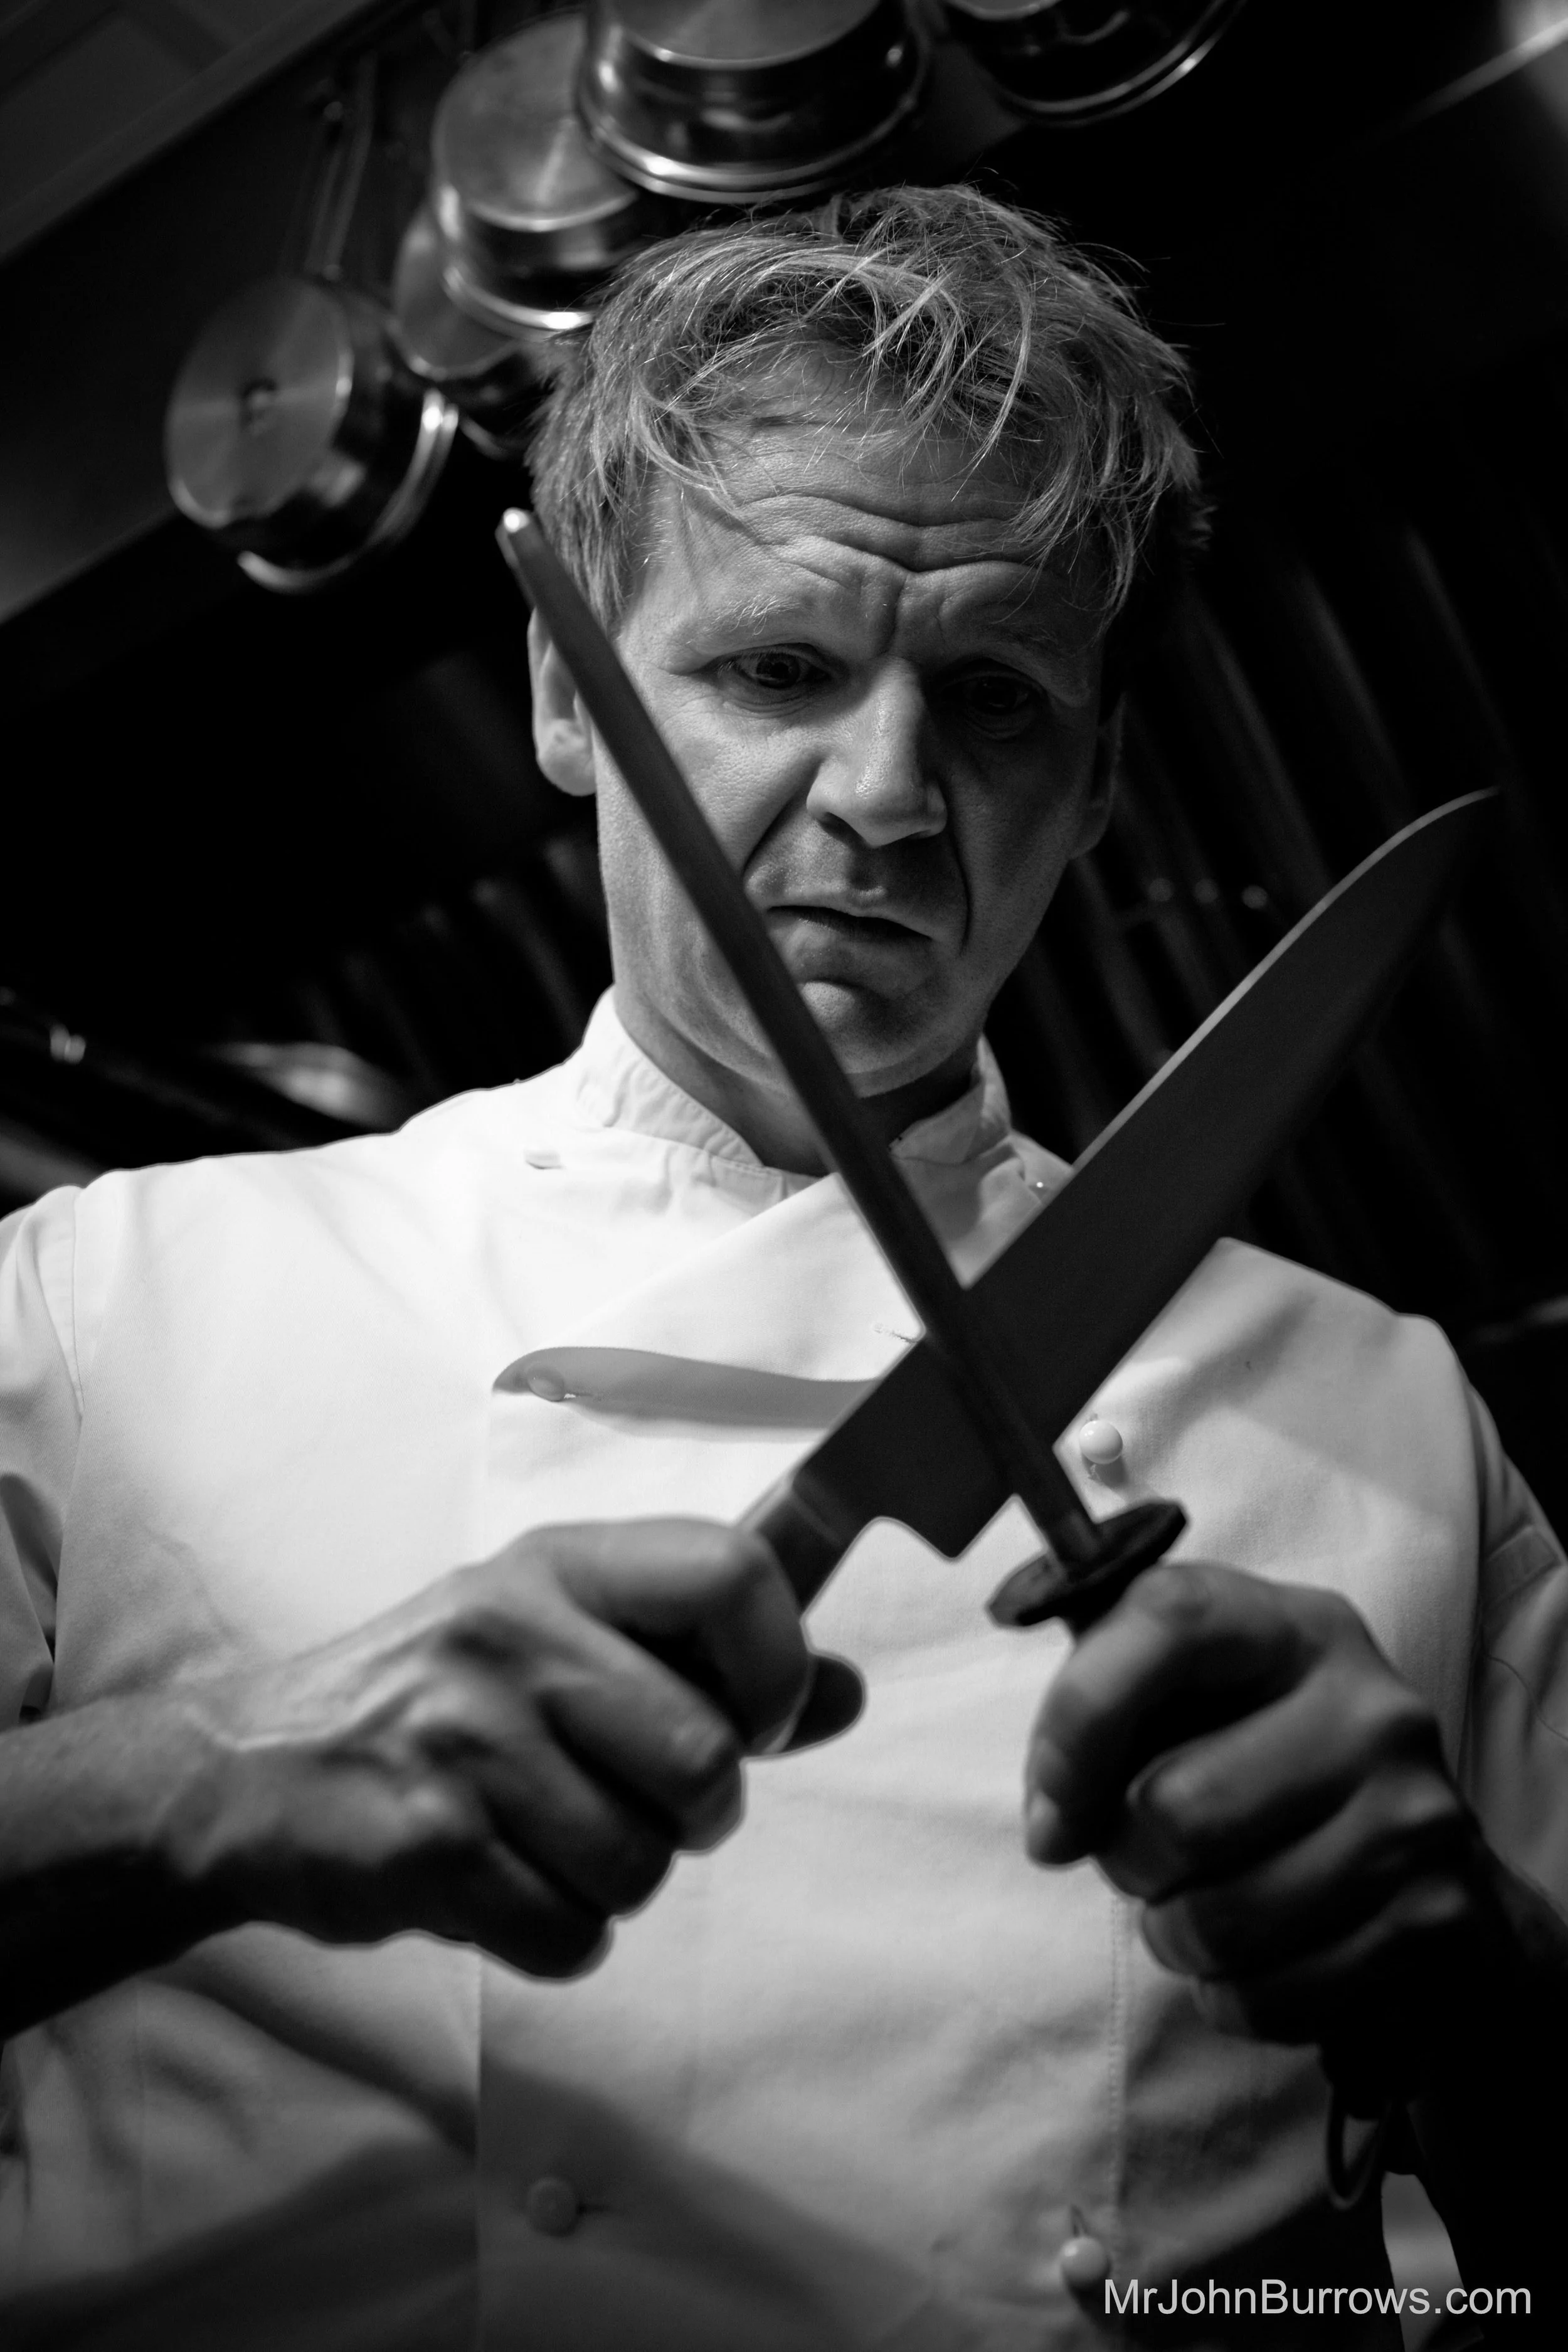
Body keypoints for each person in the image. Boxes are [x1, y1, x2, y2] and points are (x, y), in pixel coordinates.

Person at [1, 186, 1564, 2351]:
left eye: (996, 701)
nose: (890, 795)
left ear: (1100, 779)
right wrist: (200, 1779)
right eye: (776, 667)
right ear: (567, 691)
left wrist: (1487, 1994)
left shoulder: (1381, 1412)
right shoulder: (106, 1300)